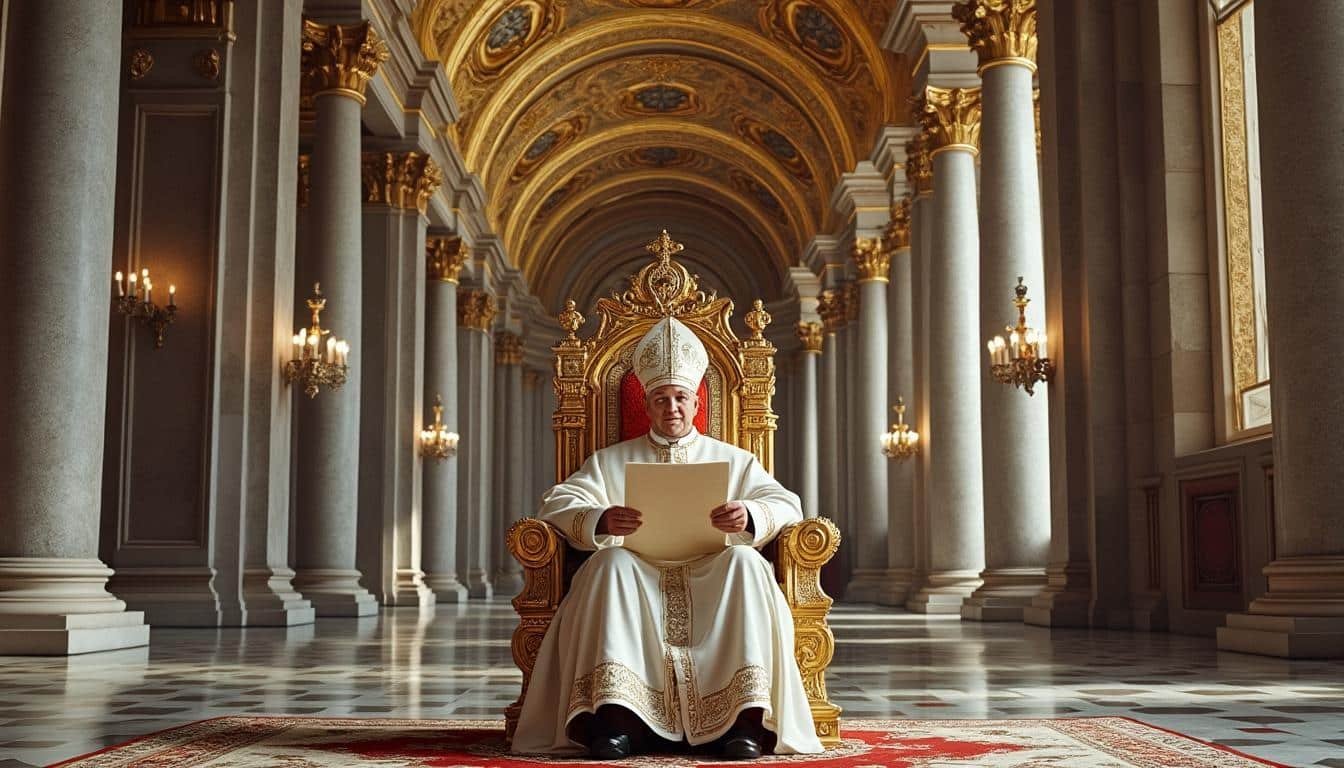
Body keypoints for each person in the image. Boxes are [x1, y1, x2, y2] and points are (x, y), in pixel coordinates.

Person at [512, 316, 823, 760]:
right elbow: (557, 502)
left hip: (714, 573)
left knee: (748, 564)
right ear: (647, 404)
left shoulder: (735, 460)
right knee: (608, 565)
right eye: (661, 399)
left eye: (680, 398)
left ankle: (743, 724)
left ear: (696, 403)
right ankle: (617, 721)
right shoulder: (610, 461)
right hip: (636, 575)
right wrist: (600, 518)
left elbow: (787, 504)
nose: (672, 408)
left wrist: (750, 513)